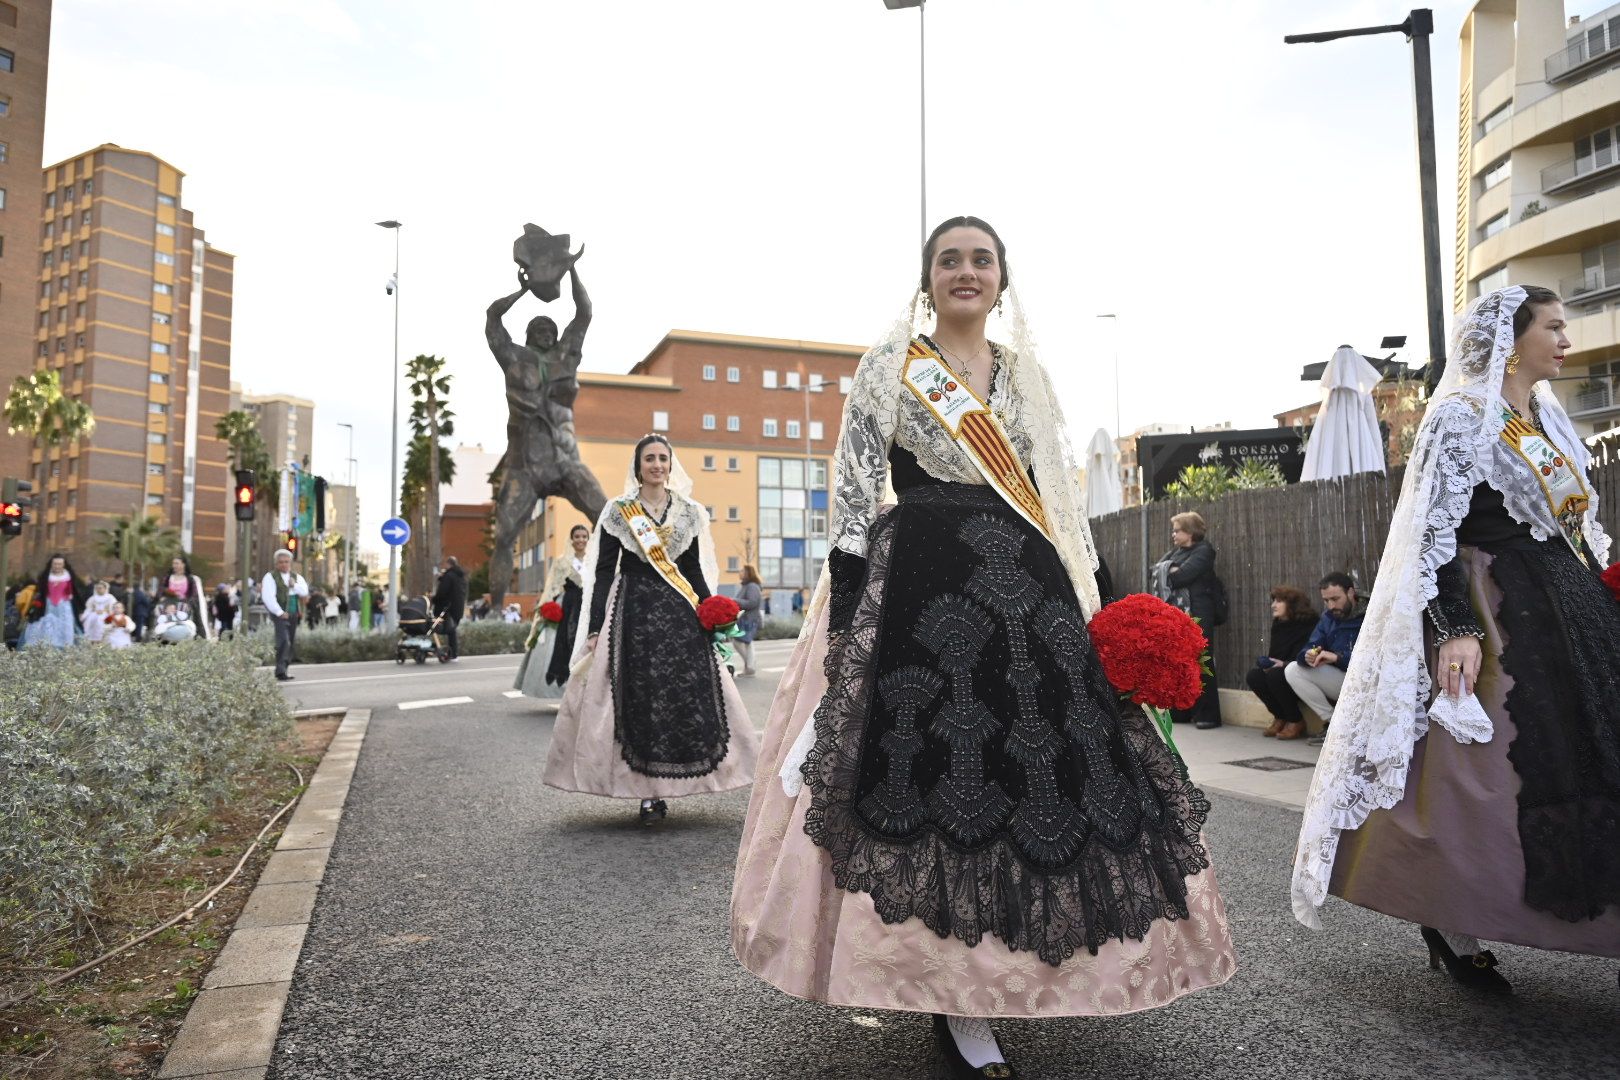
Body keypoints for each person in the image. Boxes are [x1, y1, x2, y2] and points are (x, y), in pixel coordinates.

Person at [730, 218, 1234, 1077]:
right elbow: (853, 495)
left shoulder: (1027, 374)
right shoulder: (889, 367)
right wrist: (850, 618)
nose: (967, 271)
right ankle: (948, 993)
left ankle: (1015, 972)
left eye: (982, 259)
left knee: (1032, 777)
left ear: (1004, 278)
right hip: (919, 584)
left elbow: (1060, 505)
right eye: (949, 259)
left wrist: (1094, 608)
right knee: (926, 777)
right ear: (927, 279)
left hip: (1026, 589)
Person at [1293, 285, 1620, 990]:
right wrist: (1456, 630)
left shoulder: (1551, 417)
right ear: (1512, 341)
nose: (1566, 339)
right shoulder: (1461, 418)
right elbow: (1429, 537)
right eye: (1554, 327)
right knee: (1488, 767)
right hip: (1498, 604)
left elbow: (1574, 529)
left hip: (1568, 605)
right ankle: (1452, 917)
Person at [543, 435, 759, 824]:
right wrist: (595, 627)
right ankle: (646, 792)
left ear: (671, 465)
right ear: (638, 466)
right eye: (649, 459)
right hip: (633, 613)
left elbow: (690, 569)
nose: (657, 465)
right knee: (637, 698)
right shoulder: (619, 512)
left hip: (679, 614)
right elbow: (605, 572)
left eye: (663, 458)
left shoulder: (689, 512)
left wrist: (711, 610)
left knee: (685, 694)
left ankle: (686, 781)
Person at [1155, 511, 1223, 729]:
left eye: (1177, 530)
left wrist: (1171, 572)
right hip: (1178, 614)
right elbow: (1154, 571)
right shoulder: (1175, 552)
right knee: (1179, 660)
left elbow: (1183, 576)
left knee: (1201, 660)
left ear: (1190, 531)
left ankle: (1208, 714)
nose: (1173, 534)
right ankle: (1182, 711)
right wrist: (1170, 570)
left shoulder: (1205, 550)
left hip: (1199, 612)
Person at [1283, 572, 1364, 743]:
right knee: (1293, 670)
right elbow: (1309, 647)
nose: (1331, 605)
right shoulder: (1328, 618)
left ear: (1351, 592)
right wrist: (1308, 656)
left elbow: (1374, 661)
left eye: (1335, 599)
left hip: (1367, 683)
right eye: (1326, 601)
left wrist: (1337, 658)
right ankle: (1336, 724)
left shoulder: (1371, 615)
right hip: (1342, 680)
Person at [1245, 585, 1319, 740]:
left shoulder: (1309, 623)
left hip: (1304, 672)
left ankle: (1295, 720)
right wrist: (1268, 663)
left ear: (1291, 604)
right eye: (1274, 601)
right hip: (1281, 670)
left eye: (1278, 601)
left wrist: (1283, 664)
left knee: (1275, 676)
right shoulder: (1279, 623)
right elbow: (1275, 654)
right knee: (1254, 676)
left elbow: (1307, 654)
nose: (1273, 605)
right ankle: (1280, 716)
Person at [261, 548, 310, 681]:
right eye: (281, 562)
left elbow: (304, 592)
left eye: (286, 562)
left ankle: (284, 668)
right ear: (276, 563)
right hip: (280, 613)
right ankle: (280, 670)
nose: (284, 564)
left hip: (293, 613)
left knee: (291, 641)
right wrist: (279, 612)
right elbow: (268, 597)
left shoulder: (296, 577)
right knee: (283, 640)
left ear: (290, 563)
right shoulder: (270, 576)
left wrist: (294, 586)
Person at [22, 554, 87, 648]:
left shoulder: (69, 576)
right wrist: (37, 604)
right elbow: (39, 592)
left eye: (60, 564)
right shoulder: (45, 577)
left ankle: (65, 646)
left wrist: (79, 608)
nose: (57, 566)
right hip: (48, 606)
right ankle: (47, 645)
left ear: (64, 565)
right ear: (51, 564)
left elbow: (77, 592)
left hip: (64, 606)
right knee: (47, 625)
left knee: (65, 626)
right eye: (55, 564)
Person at [157, 556, 212, 640]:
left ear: (183, 565)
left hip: (184, 605)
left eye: (177, 563)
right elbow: (161, 592)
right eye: (173, 563)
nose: (174, 565)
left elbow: (193, 594)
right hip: (168, 604)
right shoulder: (167, 578)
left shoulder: (190, 579)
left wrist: (188, 602)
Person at [432, 556, 468, 661]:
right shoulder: (461, 577)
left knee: (448, 630)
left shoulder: (449, 576)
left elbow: (442, 592)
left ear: (448, 564)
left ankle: (452, 654)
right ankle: (452, 653)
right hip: (458, 608)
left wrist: (434, 599)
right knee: (452, 631)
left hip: (448, 608)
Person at [734, 564, 763, 676]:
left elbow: (752, 602)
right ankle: (749, 667)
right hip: (747, 618)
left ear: (748, 573)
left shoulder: (752, 586)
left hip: (750, 619)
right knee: (747, 642)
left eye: (742, 571)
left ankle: (750, 665)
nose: (739, 572)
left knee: (739, 641)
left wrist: (735, 601)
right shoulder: (747, 586)